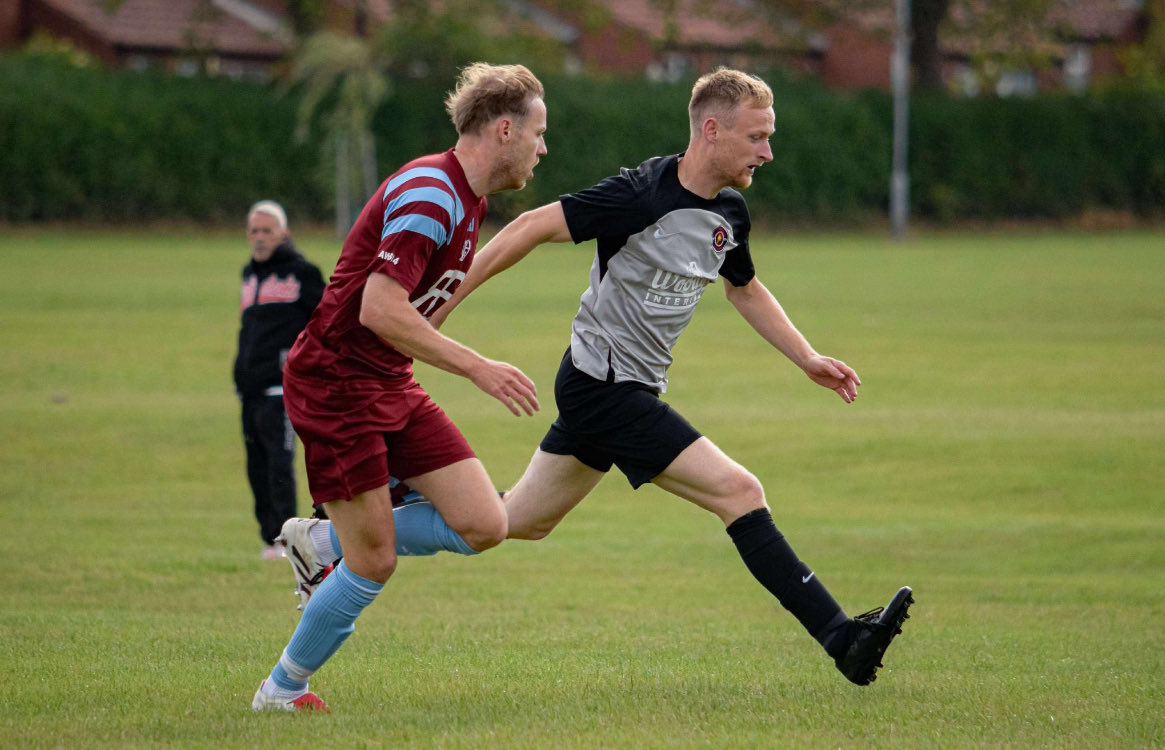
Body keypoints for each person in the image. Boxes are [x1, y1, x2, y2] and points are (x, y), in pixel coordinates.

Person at [281, 68, 913, 688]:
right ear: (712, 130)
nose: (768, 152)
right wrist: (449, 299)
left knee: (515, 521)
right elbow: (530, 227)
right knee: (739, 492)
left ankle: (325, 538)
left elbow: (744, 289)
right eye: (756, 138)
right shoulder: (641, 194)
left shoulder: (729, 213)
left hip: (625, 388)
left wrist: (806, 358)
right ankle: (842, 639)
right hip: (602, 388)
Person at [250, 62, 548, 713]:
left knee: (485, 521)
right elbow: (379, 310)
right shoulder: (431, 194)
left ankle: (319, 540)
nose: (542, 148)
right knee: (376, 559)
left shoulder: (468, 200)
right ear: (504, 129)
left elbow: (415, 309)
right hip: (336, 386)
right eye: (537, 132)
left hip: (386, 380)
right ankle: (281, 690)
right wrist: (477, 366)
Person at [234, 201, 325, 560]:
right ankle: (267, 537)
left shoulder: (303, 273)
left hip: (282, 389)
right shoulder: (250, 274)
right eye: (253, 231)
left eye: (266, 230)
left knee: (279, 464)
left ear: (283, 233)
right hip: (250, 389)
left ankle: (289, 541)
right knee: (255, 465)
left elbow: (325, 322)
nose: (259, 238)